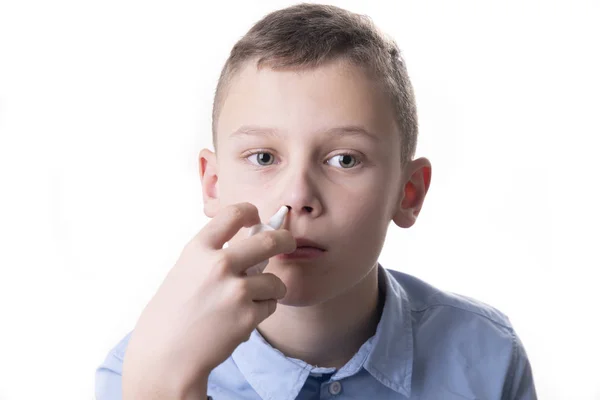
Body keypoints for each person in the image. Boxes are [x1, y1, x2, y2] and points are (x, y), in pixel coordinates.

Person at [95, 3, 537, 399]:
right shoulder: (135, 374)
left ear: (409, 193)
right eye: (264, 157)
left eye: (345, 159)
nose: (298, 196)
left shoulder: (488, 358)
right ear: (213, 184)